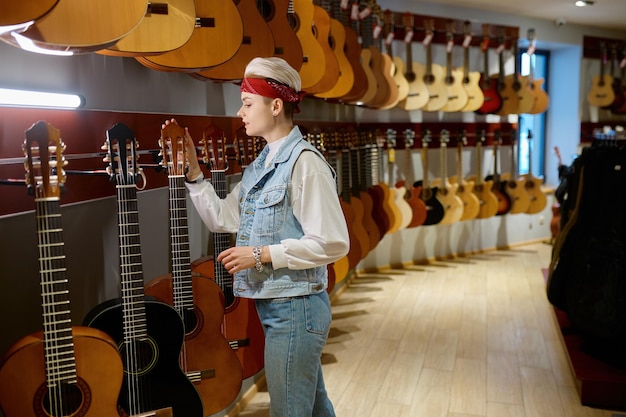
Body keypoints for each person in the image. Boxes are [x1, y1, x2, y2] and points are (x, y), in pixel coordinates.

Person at [173, 56, 350, 417]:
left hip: (296, 310)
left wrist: (261, 254)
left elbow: (333, 242)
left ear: (275, 105)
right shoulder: (263, 165)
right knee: (314, 408)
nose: (240, 112)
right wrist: (193, 173)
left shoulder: (306, 164)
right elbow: (224, 217)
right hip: (280, 308)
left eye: (247, 103)